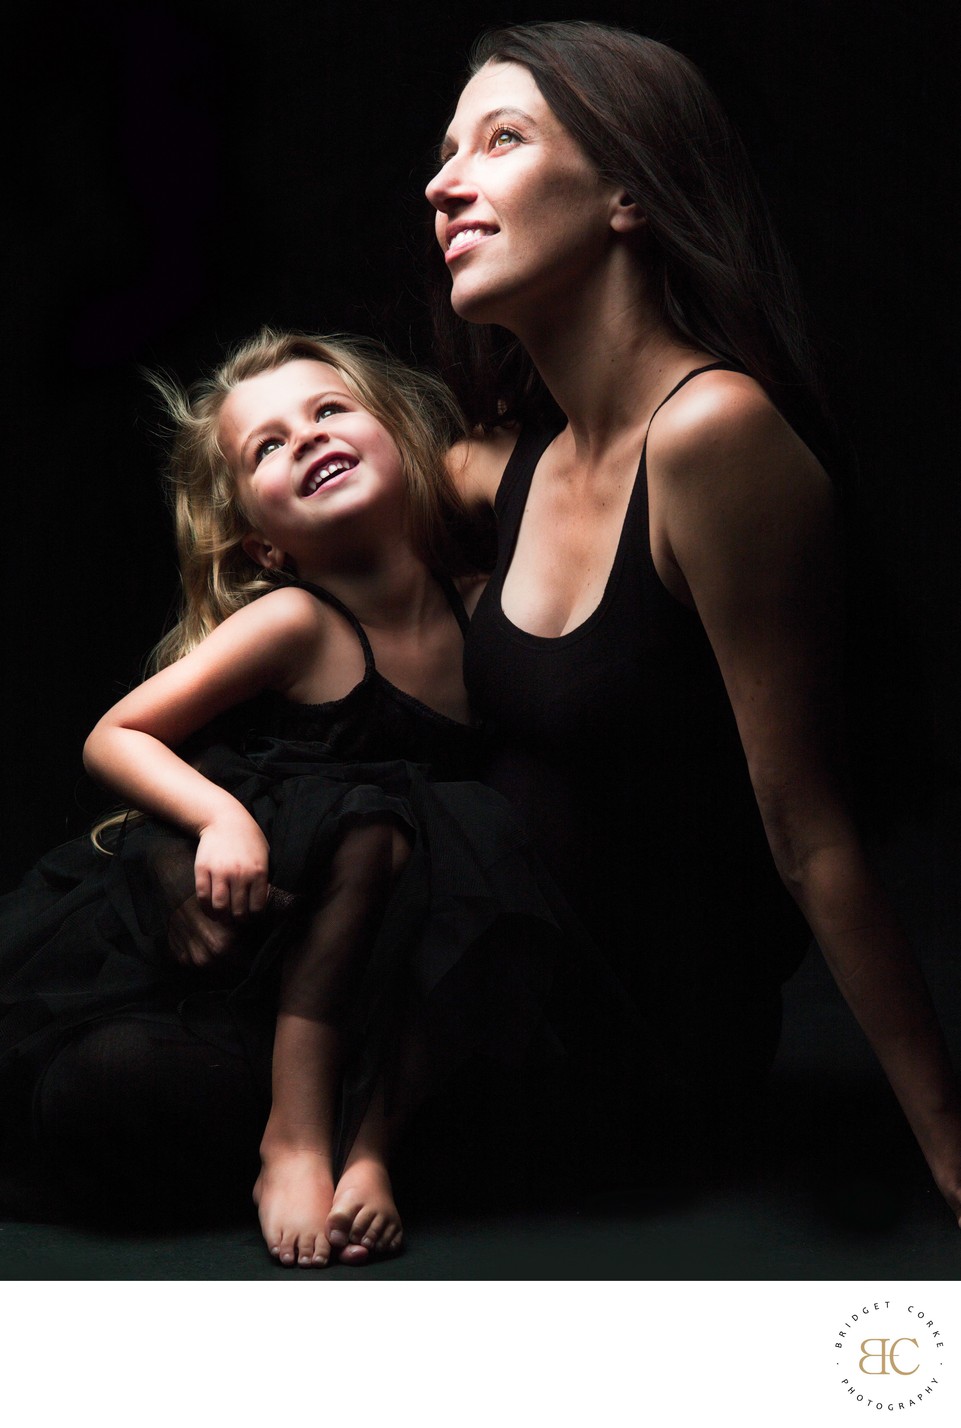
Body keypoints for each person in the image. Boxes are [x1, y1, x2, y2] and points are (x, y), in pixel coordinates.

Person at [424, 20, 961, 1221]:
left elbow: (805, 826)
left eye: (499, 139)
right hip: (469, 1017)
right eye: (445, 149)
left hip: (625, 1056)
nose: (443, 180)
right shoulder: (508, 464)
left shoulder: (712, 437)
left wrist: (948, 1144)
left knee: (126, 1087)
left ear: (629, 191)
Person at [0, 329, 587, 1266]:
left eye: (328, 411)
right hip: (266, 936)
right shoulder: (295, 622)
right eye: (266, 446)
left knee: (457, 834)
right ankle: (296, 1139)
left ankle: (367, 1151)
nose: (305, 438)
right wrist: (219, 816)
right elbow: (115, 735)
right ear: (262, 544)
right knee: (365, 829)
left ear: (403, 437)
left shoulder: (483, 609)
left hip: (399, 969)